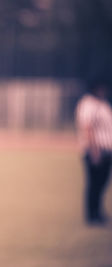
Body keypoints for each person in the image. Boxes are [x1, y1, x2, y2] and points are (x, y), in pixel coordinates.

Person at [75, 79, 112, 225]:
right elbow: (87, 127)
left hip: (107, 151)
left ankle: (98, 212)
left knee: (102, 183)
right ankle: (92, 215)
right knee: (94, 184)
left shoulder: (102, 104)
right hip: (96, 151)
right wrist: (94, 151)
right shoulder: (88, 103)